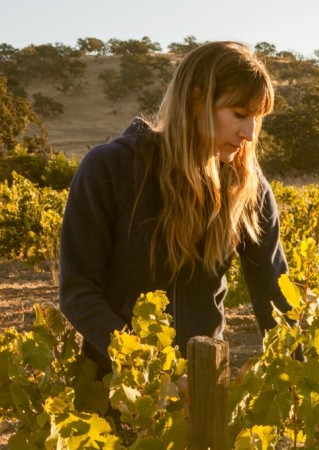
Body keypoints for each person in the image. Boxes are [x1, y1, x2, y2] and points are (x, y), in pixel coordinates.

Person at [59, 41, 297, 379]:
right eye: (240, 114)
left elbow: (275, 295)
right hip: (115, 389)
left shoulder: (246, 186)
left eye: (257, 119)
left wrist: (300, 382)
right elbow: (78, 292)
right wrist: (148, 371)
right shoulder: (110, 168)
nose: (249, 133)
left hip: (204, 386)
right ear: (196, 100)